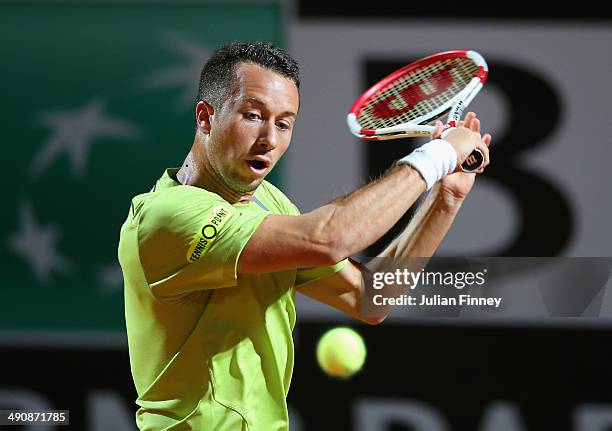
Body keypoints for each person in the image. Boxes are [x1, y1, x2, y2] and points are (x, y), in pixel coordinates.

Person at [118, 42, 491, 431]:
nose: (269, 138)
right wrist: (438, 156)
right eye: (252, 115)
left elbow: (371, 298)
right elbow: (330, 238)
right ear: (205, 118)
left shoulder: (270, 203)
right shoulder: (167, 216)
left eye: (283, 123)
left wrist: (445, 200)